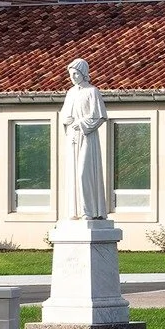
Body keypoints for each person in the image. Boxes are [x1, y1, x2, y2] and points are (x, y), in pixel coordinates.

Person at [59, 58, 110, 219]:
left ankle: (90, 211)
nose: (73, 77)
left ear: (83, 73)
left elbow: (99, 116)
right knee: (73, 174)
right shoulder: (71, 93)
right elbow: (64, 114)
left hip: (87, 137)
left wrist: (81, 124)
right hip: (72, 138)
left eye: (76, 73)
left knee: (84, 173)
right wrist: (66, 120)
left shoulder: (92, 91)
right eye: (71, 74)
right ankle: (76, 212)